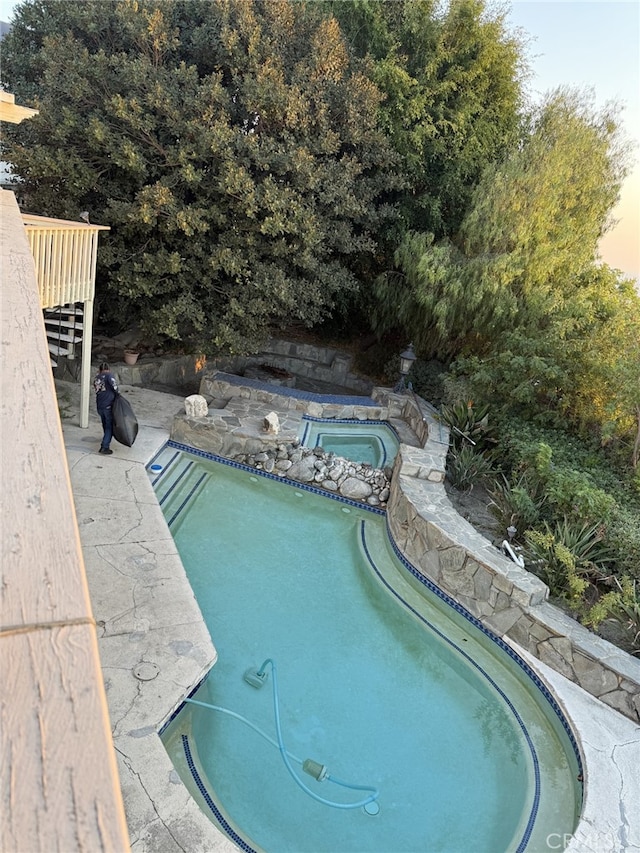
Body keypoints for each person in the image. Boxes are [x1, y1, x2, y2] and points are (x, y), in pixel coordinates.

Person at [93, 362, 118, 454]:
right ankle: (105, 446)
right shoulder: (109, 375)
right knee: (109, 426)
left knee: (104, 423)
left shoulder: (97, 377)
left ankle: (105, 439)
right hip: (108, 405)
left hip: (99, 405)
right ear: (109, 369)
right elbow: (115, 387)